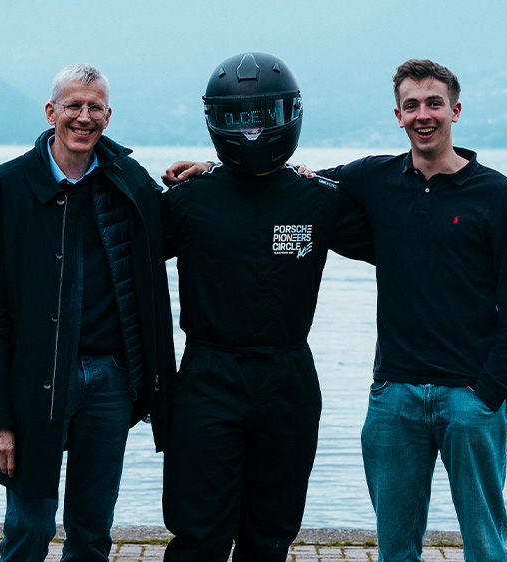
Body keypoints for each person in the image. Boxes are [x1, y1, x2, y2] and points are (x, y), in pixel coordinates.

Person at [164, 58, 507, 562]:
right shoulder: (366, 178)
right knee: (208, 534)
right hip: (339, 390)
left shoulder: (491, 195)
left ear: (455, 110)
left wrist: (493, 389)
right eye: (412, 105)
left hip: (423, 390)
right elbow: (269, 183)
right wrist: (210, 170)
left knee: (479, 543)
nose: (423, 114)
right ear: (398, 114)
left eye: (433, 103)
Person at [159, 52, 374, 562]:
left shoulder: (319, 198)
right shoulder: (188, 199)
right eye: (239, 118)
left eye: (264, 117)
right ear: (216, 120)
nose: (252, 131)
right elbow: (113, 248)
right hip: (208, 376)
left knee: (271, 534)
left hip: (288, 377)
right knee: (199, 534)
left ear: (290, 115)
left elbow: (404, 230)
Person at [0, 62, 175, 562]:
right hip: (35, 380)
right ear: (51, 111)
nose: (84, 117)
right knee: (28, 528)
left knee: (92, 531)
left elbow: (176, 227)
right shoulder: (3, 191)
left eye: (94, 107)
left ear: (108, 115)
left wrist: (207, 173)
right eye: (73, 106)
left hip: (111, 379)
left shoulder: (129, 181)